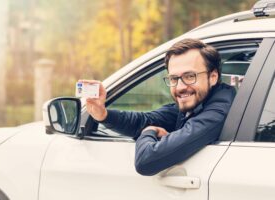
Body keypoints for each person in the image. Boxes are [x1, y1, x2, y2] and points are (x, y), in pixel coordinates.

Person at [82, 38, 236, 176]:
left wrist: (149, 131)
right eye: (174, 78)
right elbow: (144, 120)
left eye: (190, 76)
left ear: (213, 77)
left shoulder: (219, 110)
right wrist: (103, 114)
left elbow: (146, 161)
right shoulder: (196, 101)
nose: (180, 87)